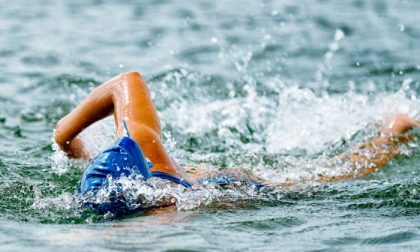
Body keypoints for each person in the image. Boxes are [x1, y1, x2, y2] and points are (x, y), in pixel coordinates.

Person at [54, 71, 420, 214]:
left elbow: (129, 80)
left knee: (323, 183)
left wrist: (65, 138)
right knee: (318, 178)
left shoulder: (142, 143)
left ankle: (393, 132)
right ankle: (392, 131)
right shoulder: (141, 142)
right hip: (195, 188)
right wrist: (66, 135)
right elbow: (126, 81)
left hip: (215, 189)